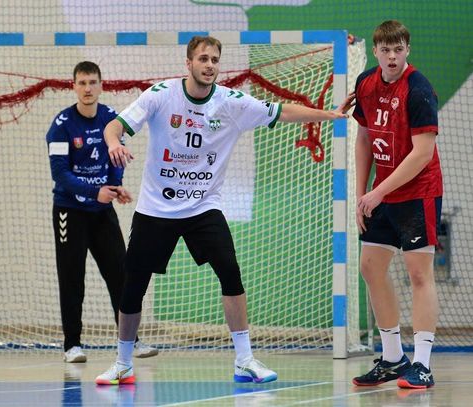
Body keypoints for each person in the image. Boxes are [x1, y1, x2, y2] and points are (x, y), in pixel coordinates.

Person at [94, 36, 354, 385]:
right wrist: (114, 142)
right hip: (157, 208)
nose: (210, 65)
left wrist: (330, 115)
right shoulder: (161, 95)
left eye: (215, 59)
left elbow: (282, 111)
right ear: (188, 63)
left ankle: (244, 360)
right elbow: (115, 126)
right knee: (133, 285)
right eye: (203, 58)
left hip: (203, 206)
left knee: (230, 273)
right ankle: (123, 362)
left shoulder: (231, 103)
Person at [46, 61, 158, 363]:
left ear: (101, 85)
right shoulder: (61, 125)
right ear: (73, 86)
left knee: (121, 274)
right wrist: (94, 190)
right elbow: (60, 174)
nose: (87, 89)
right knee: (72, 277)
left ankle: (131, 341)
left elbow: (116, 159)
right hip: (69, 211)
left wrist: (115, 186)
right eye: (82, 83)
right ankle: (72, 345)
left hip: (102, 211)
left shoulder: (110, 119)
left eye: (92, 82)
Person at [351, 20, 442, 389]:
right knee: (371, 267)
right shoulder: (366, 83)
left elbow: (422, 154)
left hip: (418, 193)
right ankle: (392, 358)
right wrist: (361, 193)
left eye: (398, 49)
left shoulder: (418, 90)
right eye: (386, 50)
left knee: (419, 274)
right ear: (376, 51)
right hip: (382, 193)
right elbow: (363, 138)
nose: (392, 56)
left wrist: (379, 192)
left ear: (408, 50)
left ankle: (422, 365)